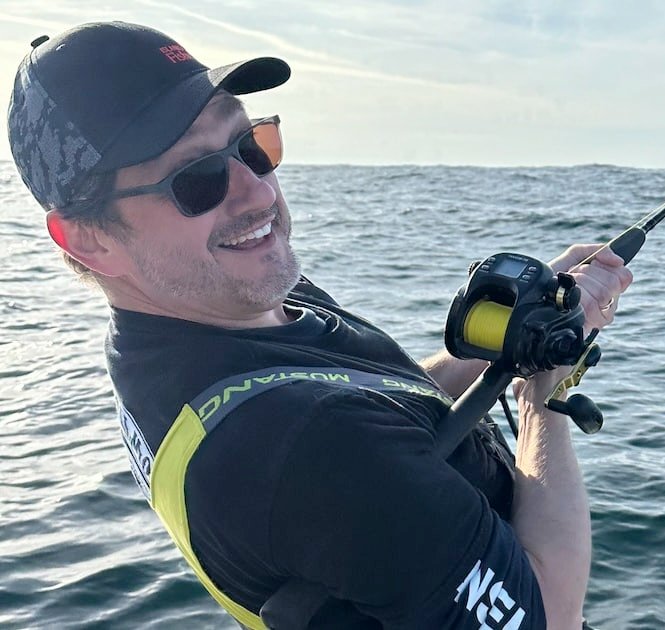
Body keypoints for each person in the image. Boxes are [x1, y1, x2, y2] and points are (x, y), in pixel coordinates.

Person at [8, 21, 632, 629]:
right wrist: (544, 392)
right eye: (195, 180)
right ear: (89, 240)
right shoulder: (303, 450)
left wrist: (524, 326)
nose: (257, 192)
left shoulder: (200, 319)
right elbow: (549, 612)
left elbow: (382, 406)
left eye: (251, 145)